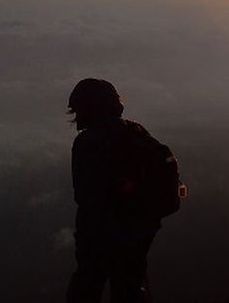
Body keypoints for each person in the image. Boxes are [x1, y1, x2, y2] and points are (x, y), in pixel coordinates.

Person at [66, 78, 163, 303]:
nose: (75, 116)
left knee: (85, 289)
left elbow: (83, 195)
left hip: (99, 237)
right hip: (138, 231)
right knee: (129, 289)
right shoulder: (136, 132)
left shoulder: (87, 142)